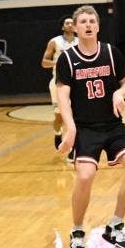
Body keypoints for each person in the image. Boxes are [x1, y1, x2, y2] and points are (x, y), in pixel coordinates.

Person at [55, 6, 125, 248]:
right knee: (84, 176)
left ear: (98, 26)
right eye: (82, 21)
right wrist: (70, 128)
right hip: (85, 128)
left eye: (92, 20)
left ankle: (115, 226)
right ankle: (77, 230)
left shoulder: (111, 53)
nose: (88, 24)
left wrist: (120, 92)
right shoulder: (67, 58)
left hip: (112, 125)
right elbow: (63, 97)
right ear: (74, 27)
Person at [41, 17, 77, 150]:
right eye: (67, 23)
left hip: (76, 83)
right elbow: (44, 62)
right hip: (58, 83)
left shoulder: (81, 42)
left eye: (72, 23)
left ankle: (73, 147)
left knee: (75, 115)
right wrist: (60, 63)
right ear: (63, 27)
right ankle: (58, 133)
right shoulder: (55, 42)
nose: (70, 25)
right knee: (59, 117)